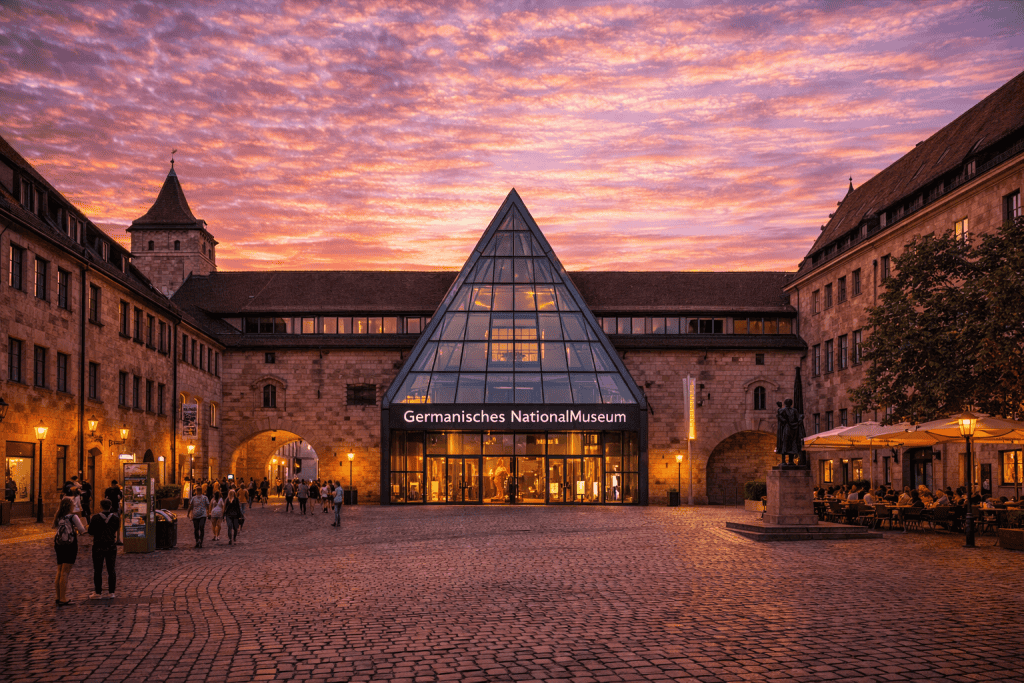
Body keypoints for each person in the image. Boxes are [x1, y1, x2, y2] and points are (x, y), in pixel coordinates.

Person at [53, 497, 86, 606]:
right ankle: (63, 597)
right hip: (70, 545)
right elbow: (82, 530)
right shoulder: (73, 517)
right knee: (65, 572)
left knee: (59, 570)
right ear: (70, 506)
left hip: (59, 545)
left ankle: (58, 596)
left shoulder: (58, 516)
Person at [87, 499, 119, 599]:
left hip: (98, 545)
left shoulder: (95, 517)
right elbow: (116, 529)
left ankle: (98, 592)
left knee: (98, 569)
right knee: (111, 569)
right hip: (111, 545)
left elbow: (91, 531)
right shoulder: (115, 518)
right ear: (110, 507)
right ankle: (111, 592)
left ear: (101, 506)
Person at [104, 479, 124, 545]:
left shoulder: (108, 490)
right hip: (116, 508)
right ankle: (117, 539)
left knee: (110, 523)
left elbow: (105, 498)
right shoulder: (118, 490)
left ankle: (111, 538)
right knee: (117, 523)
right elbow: (120, 497)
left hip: (110, 508)